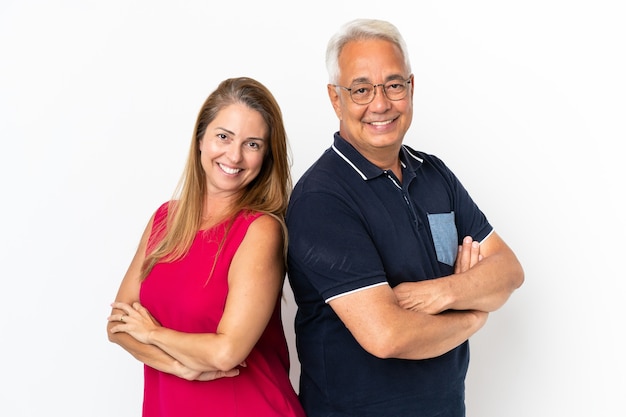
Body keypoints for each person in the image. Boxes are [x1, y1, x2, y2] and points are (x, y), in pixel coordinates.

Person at [286, 18, 525, 417]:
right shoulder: (322, 198)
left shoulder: (434, 175)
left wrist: (445, 292)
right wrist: (473, 313)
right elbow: (387, 336)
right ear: (335, 98)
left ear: (411, 88)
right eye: (361, 89)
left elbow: (509, 271)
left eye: (393, 85)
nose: (380, 104)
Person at [107, 77, 306, 417]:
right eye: (223, 136)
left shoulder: (260, 230)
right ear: (201, 138)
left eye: (253, 144)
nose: (235, 155)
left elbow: (226, 353)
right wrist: (178, 367)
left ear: (266, 157)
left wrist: (152, 333)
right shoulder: (164, 220)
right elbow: (118, 324)